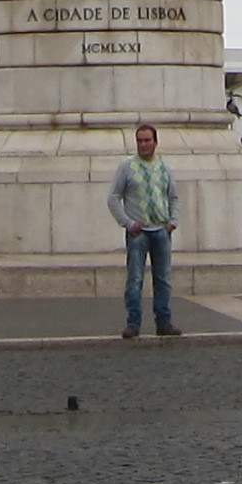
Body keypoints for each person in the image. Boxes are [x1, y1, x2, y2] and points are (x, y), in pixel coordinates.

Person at [109, 122, 179, 339]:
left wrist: (173, 221)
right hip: (138, 233)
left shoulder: (165, 169)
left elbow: (173, 197)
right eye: (140, 141)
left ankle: (164, 322)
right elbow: (113, 198)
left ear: (155, 142)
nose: (143, 144)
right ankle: (133, 323)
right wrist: (127, 223)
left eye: (147, 140)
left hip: (161, 231)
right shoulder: (126, 167)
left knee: (163, 279)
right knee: (135, 279)